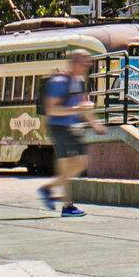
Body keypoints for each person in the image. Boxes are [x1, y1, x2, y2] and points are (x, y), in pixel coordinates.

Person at [38, 44, 97, 218]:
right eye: (85, 64)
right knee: (70, 165)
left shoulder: (78, 81)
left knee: (81, 162)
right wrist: (76, 109)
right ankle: (67, 206)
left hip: (71, 126)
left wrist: (95, 122)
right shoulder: (59, 82)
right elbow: (51, 110)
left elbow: (82, 104)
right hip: (58, 126)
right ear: (75, 63)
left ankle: (48, 189)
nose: (87, 68)